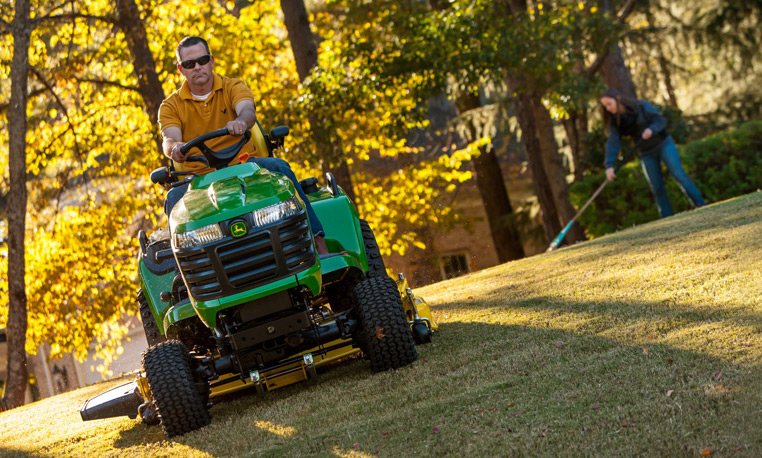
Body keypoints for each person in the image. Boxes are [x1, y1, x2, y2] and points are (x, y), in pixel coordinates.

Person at [159, 36, 328, 254]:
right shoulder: (171, 105)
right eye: (190, 64)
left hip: (246, 165)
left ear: (211, 60)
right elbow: (170, 139)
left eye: (201, 60)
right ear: (181, 69)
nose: (197, 67)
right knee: (173, 198)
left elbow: (247, 111)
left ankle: (319, 246)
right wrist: (174, 148)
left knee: (279, 168)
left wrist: (240, 122)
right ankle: (187, 274)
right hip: (200, 180)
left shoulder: (233, 87)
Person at [601, 87, 705, 218]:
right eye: (605, 106)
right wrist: (610, 165)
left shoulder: (641, 106)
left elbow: (660, 121)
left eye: (609, 104)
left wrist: (651, 129)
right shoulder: (616, 122)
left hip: (663, 143)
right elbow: (613, 142)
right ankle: (667, 218)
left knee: (679, 175)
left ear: (618, 99)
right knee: (656, 187)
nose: (607, 108)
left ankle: (701, 205)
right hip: (646, 152)